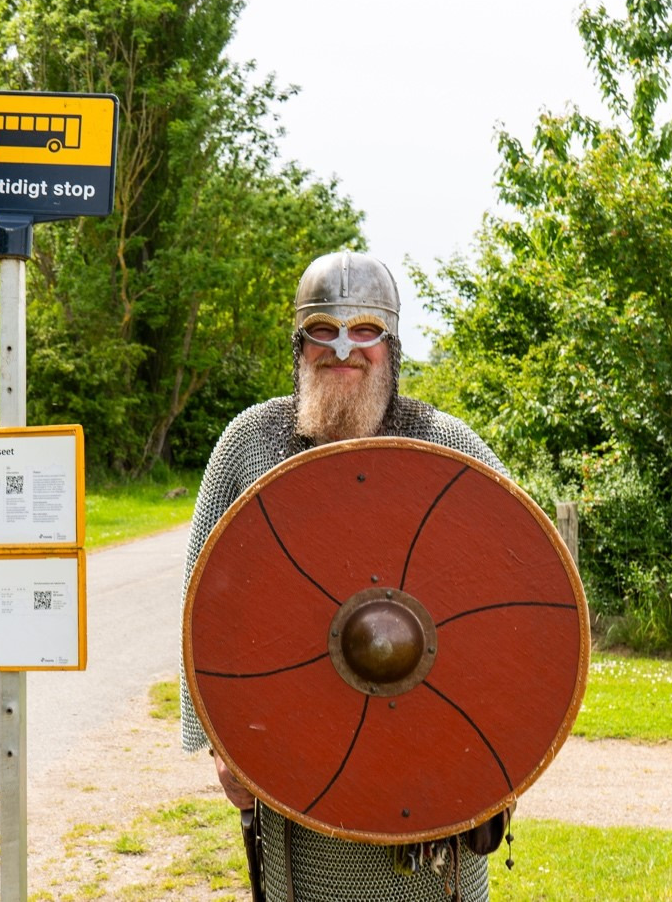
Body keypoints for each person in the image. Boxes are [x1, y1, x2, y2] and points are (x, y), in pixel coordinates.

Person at [179, 251, 507, 901]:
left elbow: (515, 586)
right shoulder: (251, 442)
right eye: (323, 330)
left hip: (424, 741)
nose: (343, 349)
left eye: (364, 330)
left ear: (392, 343)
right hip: (292, 735)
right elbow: (203, 601)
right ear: (299, 344)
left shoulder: (444, 444)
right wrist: (221, 743)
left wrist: (495, 745)